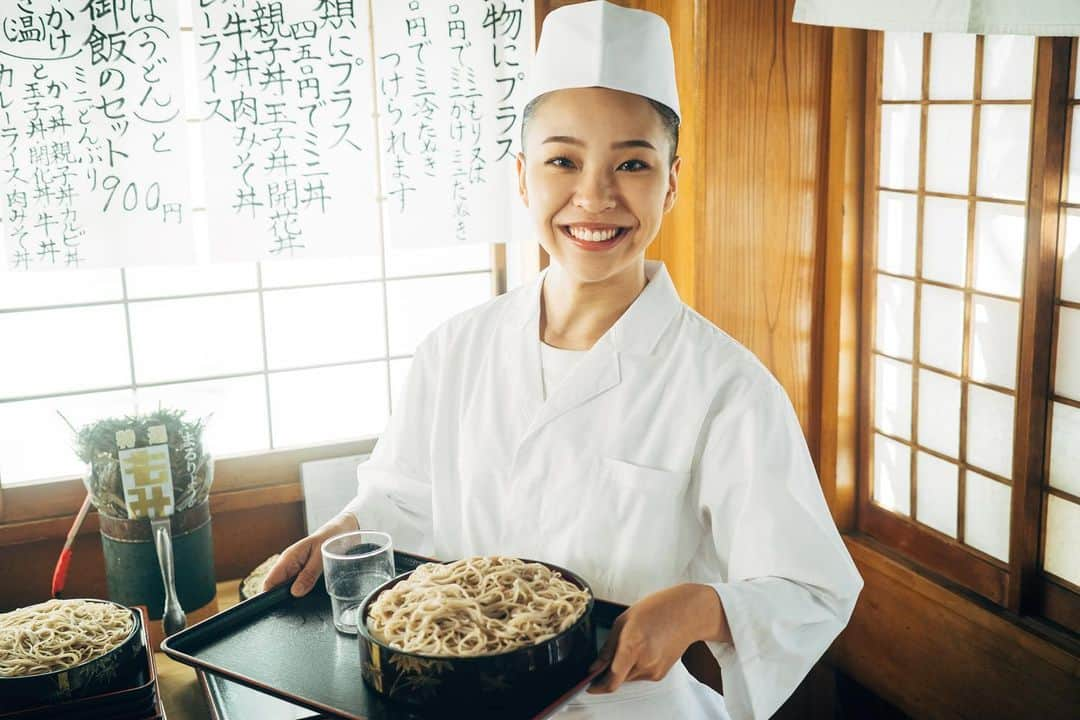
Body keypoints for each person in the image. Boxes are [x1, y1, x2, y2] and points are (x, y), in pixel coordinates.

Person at [264, 2, 862, 718]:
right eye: (562, 160)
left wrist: (702, 608)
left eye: (632, 163)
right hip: (455, 700)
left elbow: (811, 588)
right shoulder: (453, 350)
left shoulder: (727, 387)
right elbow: (404, 500)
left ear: (671, 181)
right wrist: (345, 529)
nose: (595, 197)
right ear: (522, 177)